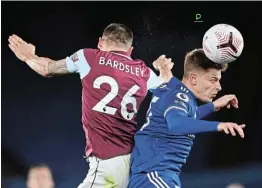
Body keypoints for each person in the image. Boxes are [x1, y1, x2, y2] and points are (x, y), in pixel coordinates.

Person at [8, 23, 173, 188]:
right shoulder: (144, 72)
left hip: (108, 165)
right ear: (130, 51)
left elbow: (47, 68)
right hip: (133, 163)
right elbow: (168, 92)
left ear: (100, 43)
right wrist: (164, 70)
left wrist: (28, 56)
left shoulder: (88, 57)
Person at [128, 49, 246, 188]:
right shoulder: (177, 95)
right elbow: (176, 123)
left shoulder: (180, 95)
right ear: (194, 78)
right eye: (213, 80)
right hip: (153, 175)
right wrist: (218, 125)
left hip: (159, 176)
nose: (219, 87)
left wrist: (212, 106)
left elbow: (186, 116)